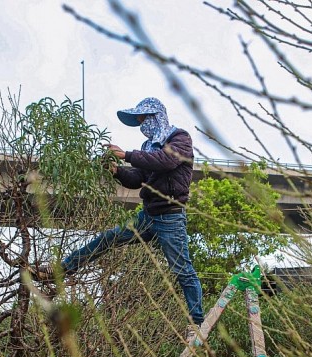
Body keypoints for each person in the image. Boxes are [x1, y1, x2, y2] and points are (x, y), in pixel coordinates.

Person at [38, 97, 204, 331]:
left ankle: (197, 323)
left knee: (182, 270)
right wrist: (116, 171)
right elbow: (137, 179)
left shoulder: (180, 138)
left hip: (170, 217)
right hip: (148, 216)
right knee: (108, 238)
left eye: (143, 119)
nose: (142, 124)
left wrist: (126, 155)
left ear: (156, 117)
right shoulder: (148, 147)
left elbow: (166, 161)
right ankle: (60, 271)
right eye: (139, 121)